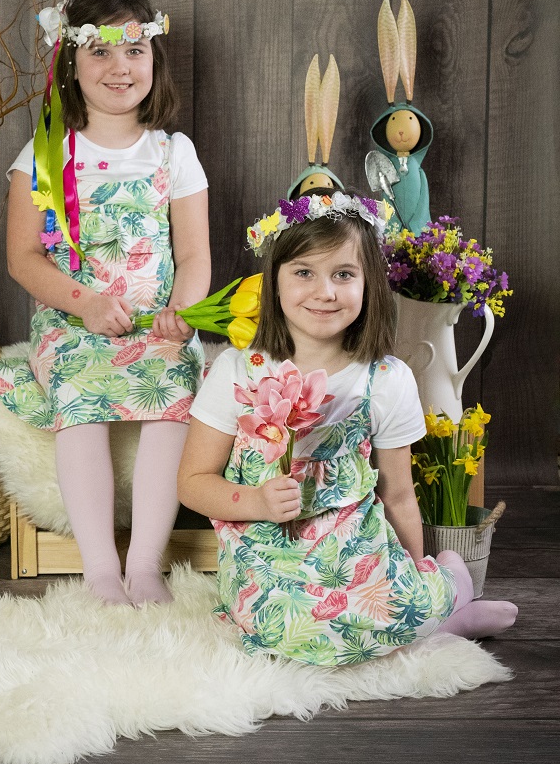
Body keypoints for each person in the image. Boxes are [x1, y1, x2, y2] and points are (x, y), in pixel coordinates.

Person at [178, 190, 517, 663]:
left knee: (397, 604)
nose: (325, 292)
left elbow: (398, 494)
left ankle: (444, 588)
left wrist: (413, 574)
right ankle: (451, 620)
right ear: (273, 281)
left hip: (352, 544)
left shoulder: (385, 378)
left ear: (369, 283)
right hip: (265, 548)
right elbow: (192, 483)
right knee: (288, 628)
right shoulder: (238, 371)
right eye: (303, 272)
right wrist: (255, 501)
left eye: (343, 274)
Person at [0, 0, 210, 607]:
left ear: (153, 60)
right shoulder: (44, 155)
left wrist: (182, 314)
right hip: (75, 322)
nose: (121, 67)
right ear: (71, 62)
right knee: (80, 398)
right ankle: (100, 572)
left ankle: (144, 565)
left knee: (173, 395)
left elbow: (194, 254)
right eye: (101, 52)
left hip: (156, 323)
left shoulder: (173, 153)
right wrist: (84, 303)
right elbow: (23, 257)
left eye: (135, 51)